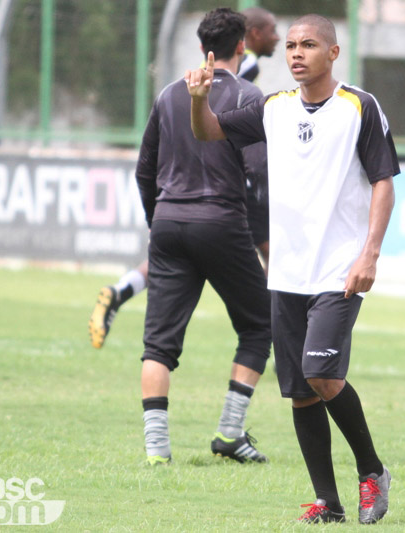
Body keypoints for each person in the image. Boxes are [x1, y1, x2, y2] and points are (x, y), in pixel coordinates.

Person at [187, 14, 398, 524]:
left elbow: (384, 182)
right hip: (286, 271)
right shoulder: (272, 108)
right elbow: (209, 131)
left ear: (333, 53)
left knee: (320, 373)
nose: (297, 53)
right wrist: (198, 98)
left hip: (338, 269)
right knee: (301, 395)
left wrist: (369, 253)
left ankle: (372, 471)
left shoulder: (359, 107)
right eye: (290, 46)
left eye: (308, 45)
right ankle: (327, 502)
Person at [88, 8, 276, 349]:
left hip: (180, 200)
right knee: (274, 257)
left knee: (178, 257)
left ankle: (121, 289)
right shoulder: (242, 71)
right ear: (248, 39)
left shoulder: (172, 90)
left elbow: (146, 168)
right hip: (229, 184)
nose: (279, 38)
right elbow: (232, 115)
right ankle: (283, 341)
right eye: (274, 32)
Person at [134, 7, 272, 466]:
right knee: (260, 325)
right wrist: (263, 241)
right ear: (242, 46)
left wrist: (161, 223)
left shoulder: (168, 95)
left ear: (201, 48)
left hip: (170, 223)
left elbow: (144, 171)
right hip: (222, 223)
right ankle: (230, 433)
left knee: (158, 345)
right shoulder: (250, 96)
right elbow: (258, 175)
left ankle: (157, 452)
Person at [237, 7, 280, 83]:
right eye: (273, 31)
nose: (277, 38)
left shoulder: (239, 59)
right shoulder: (248, 62)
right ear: (256, 33)